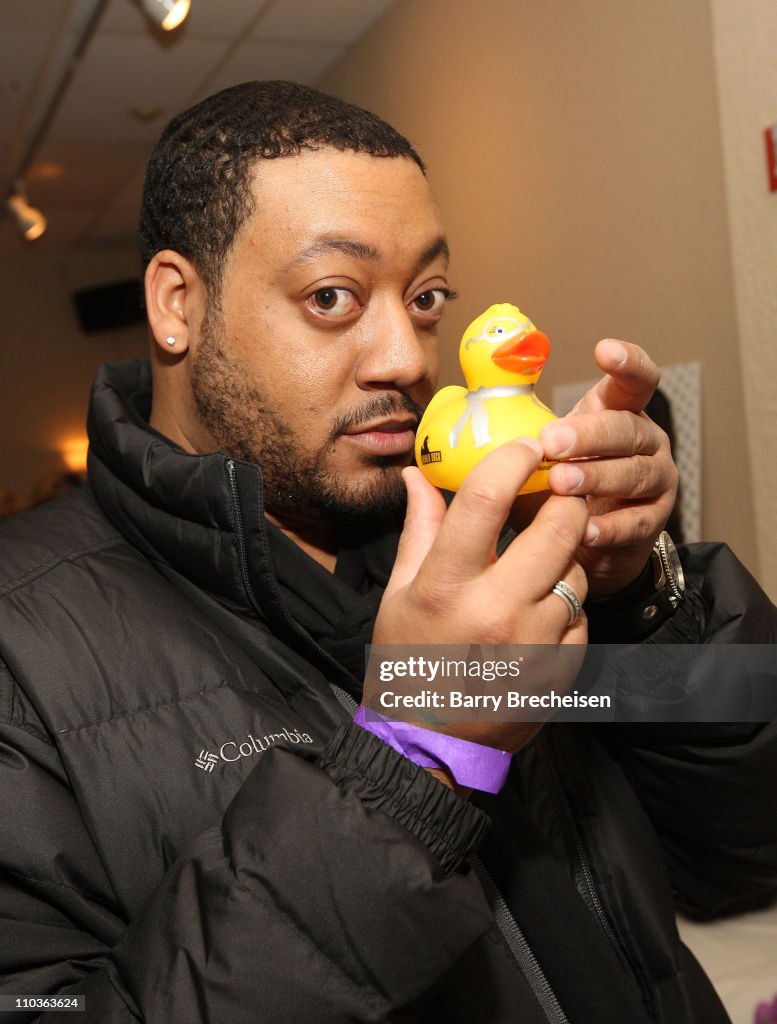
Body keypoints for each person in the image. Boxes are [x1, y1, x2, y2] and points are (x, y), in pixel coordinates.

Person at [0, 80, 775, 1024]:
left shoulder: (496, 542)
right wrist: (418, 758)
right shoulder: (18, 647)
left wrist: (643, 597)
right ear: (176, 304)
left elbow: (744, 851)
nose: (406, 355)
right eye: (331, 296)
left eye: (425, 297)